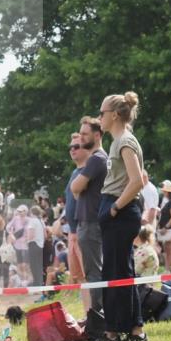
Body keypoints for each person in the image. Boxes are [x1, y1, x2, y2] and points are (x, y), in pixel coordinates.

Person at [97, 91, 146, 341]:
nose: (99, 118)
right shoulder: (118, 141)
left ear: (115, 115)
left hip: (121, 210)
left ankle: (117, 332)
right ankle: (132, 330)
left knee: (118, 271)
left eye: (102, 113)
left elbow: (137, 181)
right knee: (119, 269)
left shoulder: (125, 141)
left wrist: (114, 208)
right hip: (117, 209)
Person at [70, 116, 107, 317]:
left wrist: (79, 188)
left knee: (93, 273)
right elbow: (76, 190)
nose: (81, 138)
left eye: (85, 134)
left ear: (97, 135)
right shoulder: (98, 158)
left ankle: (97, 318)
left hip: (91, 223)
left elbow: (75, 187)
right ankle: (97, 316)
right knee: (93, 272)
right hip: (90, 222)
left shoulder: (96, 159)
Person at [64, 133, 90, 310]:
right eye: (70, 147)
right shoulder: (75, 172)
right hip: (72, 232)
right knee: (80, 278)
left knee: (89, 276)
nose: (72, 150)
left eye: (76, 146)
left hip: (84, 229)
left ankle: (96, 315)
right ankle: (89, 315)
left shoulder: (88, 171)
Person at [6, 205, 31, 284]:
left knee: (25, 264)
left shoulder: (29, 220)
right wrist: (11, 234)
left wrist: (29, 238)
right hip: (17, 245)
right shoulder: (16, 218)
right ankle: (22, 280)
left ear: (25, 212)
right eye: (19, 211)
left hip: (26, 245)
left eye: (21, 211)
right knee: (19, 264)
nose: (19, 213)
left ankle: (26, 280)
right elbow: (8, 227)